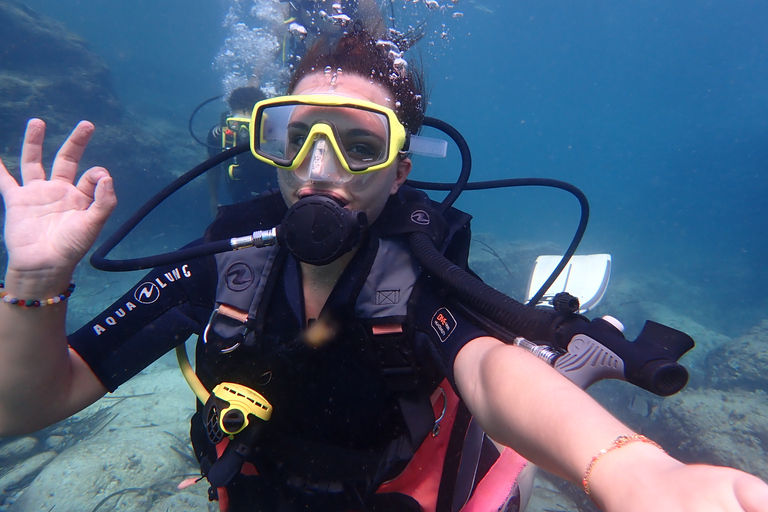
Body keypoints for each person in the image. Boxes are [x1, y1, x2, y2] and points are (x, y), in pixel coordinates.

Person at [1, 29, 768, 512]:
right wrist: (34, 282)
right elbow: (29, 407)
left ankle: (572, 356)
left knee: (511, 428)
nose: (320, 170)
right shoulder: (224, 259)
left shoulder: (419, 266)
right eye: (296, 138)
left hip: (413, 492)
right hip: (265, 497)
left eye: (360, 146)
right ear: (263, 146)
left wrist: (637, 473)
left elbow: (490, 375)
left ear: (399, 172)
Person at [207, 86, 278, 215]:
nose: (243, 133)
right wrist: (213, 198)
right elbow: (212, 168)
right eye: (236, 124)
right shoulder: (218, 136)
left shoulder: (276, 135)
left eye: (249, 125)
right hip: (239, 197)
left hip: (276, 199)